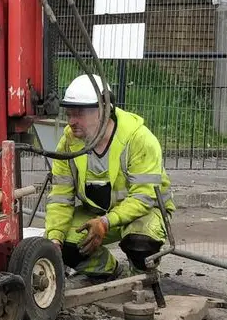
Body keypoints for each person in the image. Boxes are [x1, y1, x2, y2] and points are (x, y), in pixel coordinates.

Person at [44, 74, 175, 281]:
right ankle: (109, 271)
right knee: (65, 243)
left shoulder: (139, 140)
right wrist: (55, 240)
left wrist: (105, 222)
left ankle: (142, 276)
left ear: (104, 110)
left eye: (79, 114)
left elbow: (143, 197)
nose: (71, 122)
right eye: (69, 114)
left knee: (140, 241)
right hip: (98, 214)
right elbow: (60, 197)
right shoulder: (68, 144)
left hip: (145, 212)